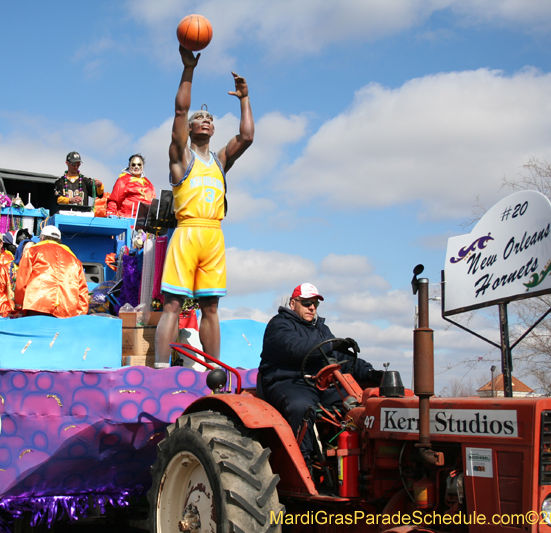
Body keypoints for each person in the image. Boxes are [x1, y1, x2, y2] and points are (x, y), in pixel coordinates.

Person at [154, 45, 254, 366]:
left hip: (213, 235)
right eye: (201, 118)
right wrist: (189, 70)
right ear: (192, 129)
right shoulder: (182, 158)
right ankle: (159, 370)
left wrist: (244, 99)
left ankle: (215, 372)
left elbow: (248, 137)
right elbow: (180, 113)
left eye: (210, 118)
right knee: (172, 305)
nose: (205, 120)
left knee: (210, 308)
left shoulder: (220, 160)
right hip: (186, 232)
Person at [258, 283, 383, 475]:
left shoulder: (321, 330)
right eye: (307, 303)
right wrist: (333, 346)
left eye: (315, 304)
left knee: (356, 408)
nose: (312, 308)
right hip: (288, 382)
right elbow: (296, 348)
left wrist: (370, 373)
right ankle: (303, 466)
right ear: (293, 304)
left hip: (320, 385)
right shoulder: (279, 325)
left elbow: (341, 360)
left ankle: (352, 463)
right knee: (302, 407)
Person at [14, 225, 89, 318]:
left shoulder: (32, 252)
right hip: (66, 310)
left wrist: (19, 307)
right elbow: (82, 290)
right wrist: (80, 313)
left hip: (37, 305)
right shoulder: (74, 260)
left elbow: (22, 281)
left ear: (41, 238)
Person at [107, 154, 155, 218]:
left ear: (143, 166)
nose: (136, 167)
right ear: (129, 166)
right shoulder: (123, 180)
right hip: (128, 220)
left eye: (139, 164)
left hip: (145, 221)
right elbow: (114, 200)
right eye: (133, 164)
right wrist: (111, 216)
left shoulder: (148, 183)